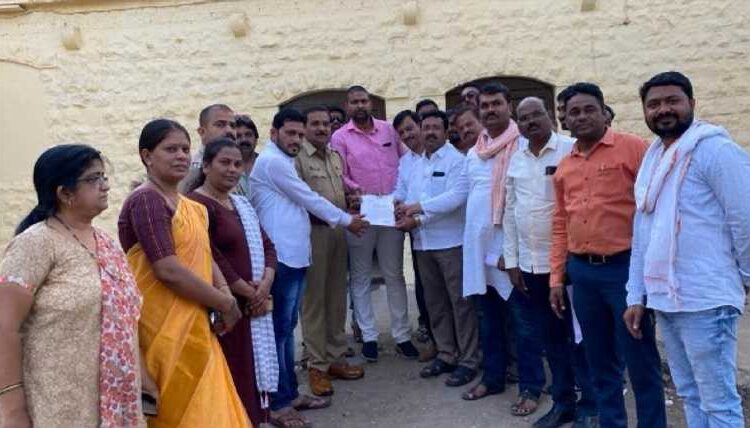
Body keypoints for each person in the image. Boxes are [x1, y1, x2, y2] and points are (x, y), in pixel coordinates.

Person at [625, 71, 750, 427]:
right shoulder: (653, 159)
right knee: (690, 394)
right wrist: (636, 295)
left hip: (705, 299)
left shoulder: (715, 150)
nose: (663, 109)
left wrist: (746, 276)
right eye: (654, 104)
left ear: (691, 103)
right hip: (665, 298)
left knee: (719, 403)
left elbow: (745, 218)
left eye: (672, 101)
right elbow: (643, 232)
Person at [0, 145, 145, 427]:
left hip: (115, 403)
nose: (105, 185)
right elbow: (4, 326)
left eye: (104, 176)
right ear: (64, 193)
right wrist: (11, 409)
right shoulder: (37, 243)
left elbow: (125, 321)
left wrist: (143, 378)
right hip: (57, 405)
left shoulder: (107, 244)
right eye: (93, 178)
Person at [119, 119, 250, 427]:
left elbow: (206, 255)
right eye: (170, 149)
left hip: (195, 318)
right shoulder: (147, 200)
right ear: (147, 156)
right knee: (181, 411)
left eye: (185, 149)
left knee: (209, 406)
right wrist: (223, 302)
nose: (180, 155)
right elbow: (167, 269)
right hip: (162, 325)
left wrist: (225, 295)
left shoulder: (191, 207)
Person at [549, 83, 666, 428]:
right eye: (574, 112)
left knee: (639, 358)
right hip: (583, 273)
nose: (581, 116)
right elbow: (560, 223)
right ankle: (612, 422)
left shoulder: (634, 148)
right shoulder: (564, 166)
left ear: (604, 113)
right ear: (565, 120)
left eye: (589, 109)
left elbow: (656, 207)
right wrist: (556, 278)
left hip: (625, 271)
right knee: (599, 360)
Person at [250, 108, 368, 424]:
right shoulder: (273, 162)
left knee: (287, 330)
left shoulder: (284, 160)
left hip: (294, 255)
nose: (296, 139)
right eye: (290, 133)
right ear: (274, 133)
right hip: (281, 259)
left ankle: (290, 394)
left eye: (299, 135)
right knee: (279, 333)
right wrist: (348, 221)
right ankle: (278, 403)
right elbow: (307, 197)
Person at [503, 97, 597, 427]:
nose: (530, 122)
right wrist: (513, 261)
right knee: (552, 338)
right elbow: (510, 213)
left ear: (550, 117)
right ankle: (563, 402)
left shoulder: (571, 150)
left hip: (569, 266)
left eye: (536, 115)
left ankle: (590, 405)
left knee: (580, 337)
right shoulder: (516, 160)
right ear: (518, 124)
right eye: (523, 118)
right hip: (532, 268)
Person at [186, 138, 280, 426]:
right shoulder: (197, 205)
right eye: (224, 162)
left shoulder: (241, 203)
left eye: (238, 164)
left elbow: (268, 245)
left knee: (252, 373)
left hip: (254, 302)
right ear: (205, 166)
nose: (232, 169)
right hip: (226, 307)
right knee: (234, 372)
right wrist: (246, 291)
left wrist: (265, 284)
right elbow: (209, 254)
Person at [331, 85, 419, 361]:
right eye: (354, 102)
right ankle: (369, 336)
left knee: (394, 274)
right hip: (361, 213)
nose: (360, 105)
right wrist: (354, 191)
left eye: (364, 101)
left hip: (391, 212)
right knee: (360, 276)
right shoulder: (340, 137)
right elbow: (340, 172)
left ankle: (402, 335)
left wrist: (402, 197)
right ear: (347, 106)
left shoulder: (389, 130)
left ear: (370, 103)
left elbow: (405, 163)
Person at [395, 110, 480, 388]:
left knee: (461, 304)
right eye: (426, 127)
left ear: (445, 132)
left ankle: (469, 360)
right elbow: (405, 194)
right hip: (422, 244)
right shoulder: (415, 164)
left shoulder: (457, 161)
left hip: (451, 244)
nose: (429, 132)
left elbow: (455, 198)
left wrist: (417, 212)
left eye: (435, 127)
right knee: (436, 304)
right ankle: (446, 354)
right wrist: (398, 207)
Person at [294, 106, 365, 398]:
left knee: (337, 297)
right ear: (305, 127)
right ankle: (317, 365)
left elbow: (337, 195)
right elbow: (301, 200)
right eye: (315, 123)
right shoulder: (297, 158)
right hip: (313, 234)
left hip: (338, 232)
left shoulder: (335, 156)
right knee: (314, 301)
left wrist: (351, 201)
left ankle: (336, 358)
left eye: (326, 124)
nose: (322, 128)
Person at [392, 109, 436, 361]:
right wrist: (396, 204)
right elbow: (400, 191)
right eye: (402, 133)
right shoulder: (405, 162)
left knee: (450, 294)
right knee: (425, 289)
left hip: (445, 236)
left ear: (420, 125)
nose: (407, 135)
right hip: (418, 236)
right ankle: (435, 340)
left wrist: (414, 212)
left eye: (410, 128)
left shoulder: (439, 155)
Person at [180, 103, 237, 192]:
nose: (229, 130)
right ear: (202, 132)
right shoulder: (190, 167)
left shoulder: (239, 164)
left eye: (232, 126)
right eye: (220, 125)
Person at [234, 113, 261, 196]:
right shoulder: (227, 168)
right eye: (238, 136)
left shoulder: (266, 165)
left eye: (248, 135)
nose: (244, 140)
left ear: (256, 139)